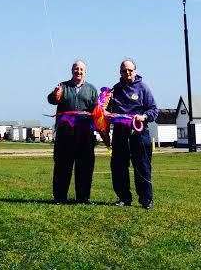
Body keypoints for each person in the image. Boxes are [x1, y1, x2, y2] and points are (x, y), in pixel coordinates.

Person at [47, 59, 100, 204]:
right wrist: (55, 94)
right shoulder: (63, 86)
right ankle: (59, 197)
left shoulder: (92, 89)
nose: (79, 71)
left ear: (85, 71)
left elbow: (97, 110)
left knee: (85, 167)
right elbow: (51, 100)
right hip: (65, 135)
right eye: (76, 69)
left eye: (81, 69)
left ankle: (83, 198)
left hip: (85, 135)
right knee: (62, 166)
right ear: (72, 70)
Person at [108, 58, 158, 209]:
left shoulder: (143, 88)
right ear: (120, 72)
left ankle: (146, 200)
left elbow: (154, 110)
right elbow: (107, 111)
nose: (127, 73)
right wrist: (105, 102)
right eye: (124, 70)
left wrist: (143, 117)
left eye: (130, 70)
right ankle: (124, 198)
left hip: (139, 133)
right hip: (119, 133)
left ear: (135, 71)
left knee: (142, 166)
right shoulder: (115, 89)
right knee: (119, 166)